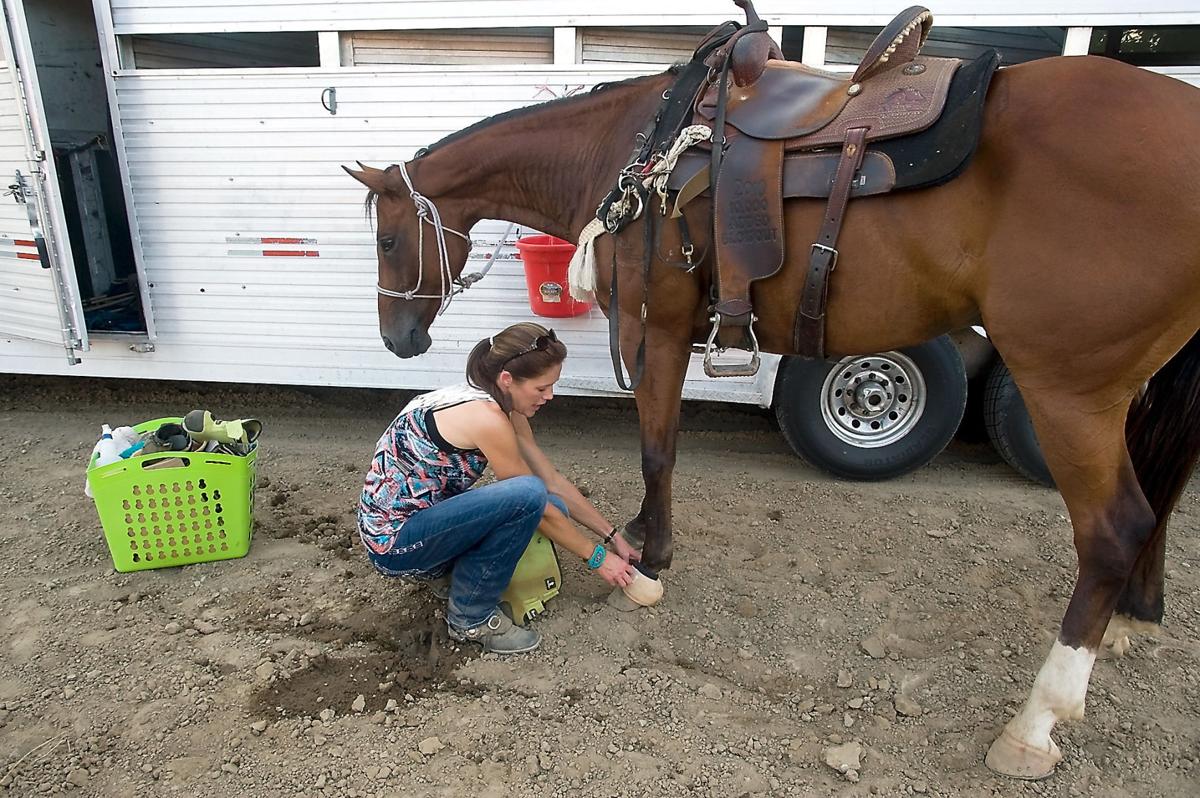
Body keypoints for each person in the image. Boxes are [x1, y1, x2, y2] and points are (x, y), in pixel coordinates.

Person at [358, 321, 640, 654]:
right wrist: (598, 559)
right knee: (529, 498)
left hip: (425, 523)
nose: (550, 396)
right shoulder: (487, 418)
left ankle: (450, 577)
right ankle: (470, 617)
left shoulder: (497, 402)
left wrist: (612, 537)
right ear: (507, 379)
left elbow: (550, 481)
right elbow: (528, 497)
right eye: (541, 388)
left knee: (549, 502)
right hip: (394, 544)